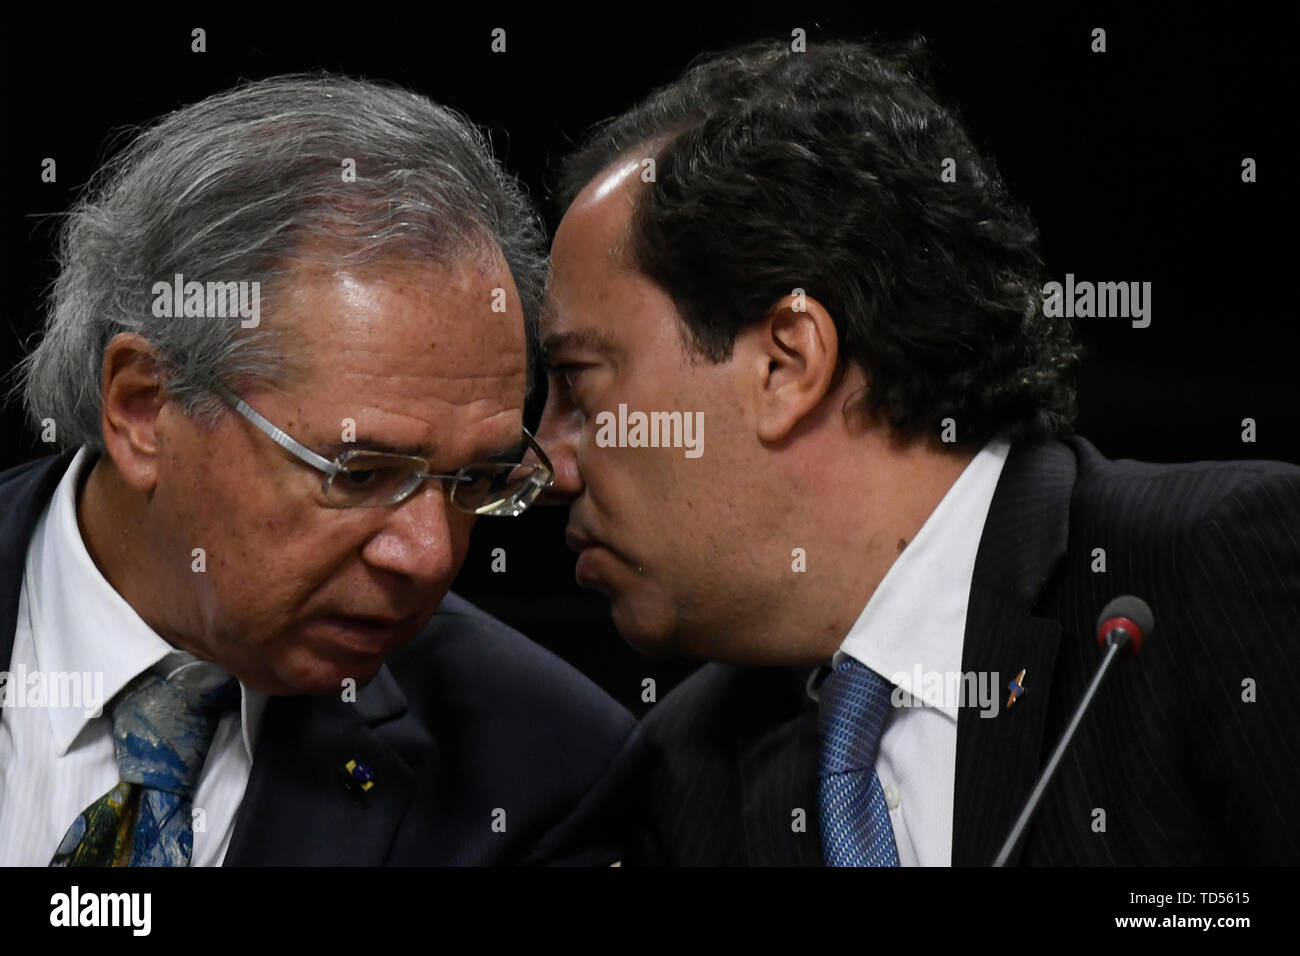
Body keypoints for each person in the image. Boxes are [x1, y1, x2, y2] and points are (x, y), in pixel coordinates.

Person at [535, 38, 1300, 865]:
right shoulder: (684, 771)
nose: (546, 461)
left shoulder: (1209, 571)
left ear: (787, 362)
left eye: (579, 384)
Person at [0, 74, 640, 866]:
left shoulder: (544, 768)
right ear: (143, 409)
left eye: (473, 482)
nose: (429, 555)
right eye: (362, 473)